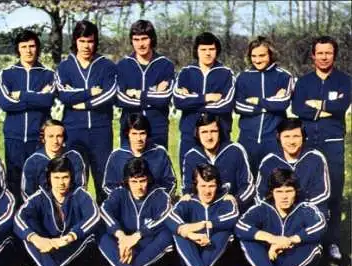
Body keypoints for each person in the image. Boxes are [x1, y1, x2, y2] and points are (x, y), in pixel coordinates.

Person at [292, 36, 350, 261]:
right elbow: (298, 108)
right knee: (305, 189)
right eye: (320, 53)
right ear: (313, 56)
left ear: (334, 55)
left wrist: (318, 104)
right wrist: (324, 110)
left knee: (334, 191)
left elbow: (341, 106)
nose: (324, 57)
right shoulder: (304, 82)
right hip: (308, 143)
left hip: (333, 142)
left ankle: (332, 241)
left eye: (328, 53)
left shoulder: (345, 80)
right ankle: (306, 238)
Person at [236, 168, 326, 266]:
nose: (284, 197)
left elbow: (320, 225)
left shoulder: (304, 208)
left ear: (296, 192)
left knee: (315, 247)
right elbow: (240, 226)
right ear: (272, 192)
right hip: (272, 258)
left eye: (289, 191)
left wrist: (289, 240)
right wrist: (274, 239)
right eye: (279, 191)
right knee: (248, 241)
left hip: (296, 258)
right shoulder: (263, 208)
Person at [14, 157, 101, 266]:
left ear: (71, 177)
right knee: (28, 234)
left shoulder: (80, 194)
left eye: (65, 177)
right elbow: (19, 218)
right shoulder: (40, 197)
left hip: (72, 245)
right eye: (56, 178)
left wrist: (69, 237)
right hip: (48, 245)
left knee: (91, 237)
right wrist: (37, 239)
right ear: (49, 178)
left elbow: (94, 216)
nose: (61, 183)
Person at [56, 20, 117, 205]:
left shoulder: (106, 65)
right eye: (82, 41)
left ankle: (106, 226)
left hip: (101, 130)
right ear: (75, 41)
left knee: (104, 181)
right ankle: (77, 227)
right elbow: (64, 96)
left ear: (95, 41)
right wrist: (90, 92)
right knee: (75, 179)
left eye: (90, 41)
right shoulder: (65, 66)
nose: (86, 46)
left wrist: (84, 105)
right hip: (74, 130)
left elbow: (110, 94)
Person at [97, 157, 173, 266]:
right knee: (100, 232)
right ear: (127, 181)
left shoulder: (159, 195)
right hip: (123, 245)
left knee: (167, 235)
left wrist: (137, 236)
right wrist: (121, 237)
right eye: (134, 181)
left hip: (148, 247)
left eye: (142, 181)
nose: (139, 186)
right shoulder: (120, 193)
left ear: (148, 179)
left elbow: (165, 216)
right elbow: (104, 210)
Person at [0, 30, 56, 203]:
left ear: (37, 48)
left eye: (32, 46)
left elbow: (47, 101)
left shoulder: (48, 73)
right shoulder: (7, 74)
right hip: (14, 137)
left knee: (40, 179)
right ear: (18, 49)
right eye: (24, 47)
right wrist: (36, 96)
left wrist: (21, 95)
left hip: (38, 137)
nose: (28, 50)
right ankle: (17, 223)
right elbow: (6, 103)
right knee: (14, 181)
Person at [166, 164, 239, 266]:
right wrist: (191, 234)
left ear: (217, 186)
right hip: (191, 253)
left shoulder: (226, 200)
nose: (207, 191)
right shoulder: (189, 201)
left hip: (217, 257)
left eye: (211, 186)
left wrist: (205, 224)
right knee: (180, 232)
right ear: (195, 185)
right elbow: (170, 217)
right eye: (203, 186)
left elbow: (233, 217)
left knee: (224, 232)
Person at [173, 32, 235, 174]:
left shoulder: (226, 73)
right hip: (190, 134)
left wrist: (192, 99)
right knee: (189, 176)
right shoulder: (186, 72)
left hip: (219, 135)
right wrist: (207, 97)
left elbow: (226, 105)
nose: (207, 53)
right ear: (196, 51)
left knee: (219, 177)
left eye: (211, 49)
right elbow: (178, 101)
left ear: (217, 51)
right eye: (203, 49)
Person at [234, 36, 293, 173]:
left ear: (271, 55)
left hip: (273, 139)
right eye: (253, 56)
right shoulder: (243, 77)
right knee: (247, 177)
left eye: (262, 55)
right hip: (247, 138)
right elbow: (238, 106)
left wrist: (257, 101)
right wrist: (270, 103)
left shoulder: (283, 76)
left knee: (274, 179)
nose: (258, 60)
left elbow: (283, 103)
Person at [116, 19, 174, 149]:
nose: (140, 44)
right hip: (130, 128)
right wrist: (153, 96)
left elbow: (164, 99)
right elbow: (119, 98)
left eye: (144, 39)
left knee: (157, 167)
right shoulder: (123, 65)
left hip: (157, 127)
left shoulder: (165, 65)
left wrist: (137, 94)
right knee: (130, 167)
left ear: (151, 39)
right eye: (136, 39)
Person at [256, 119, 330, 218]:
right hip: (277, 214)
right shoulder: (269, 161)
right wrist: (277, 212)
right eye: (286, 136)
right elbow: (260, 194)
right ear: (279, 137)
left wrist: (297, 212)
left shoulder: (315, 158)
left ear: (303, 138)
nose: (291, 142)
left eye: (296, 136)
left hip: (308, 212)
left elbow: (323, 192)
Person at [182, 114, 254, 213]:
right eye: (204, 132)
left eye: (213, 131)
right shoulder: (191, 156)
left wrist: (236, 201)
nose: (209, 137)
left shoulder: (235, 151)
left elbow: (248, 186)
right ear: (197, 134)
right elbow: (188, 190)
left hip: (234, 210)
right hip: (204, 213)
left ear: (220, 132)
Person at [103, 113, 176, 196]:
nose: (139, 139)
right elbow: (108, 185)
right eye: (134, 134)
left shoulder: (160, 153)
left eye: (142, 133)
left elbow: (170, 182)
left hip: (155, 204)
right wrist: (123, 200)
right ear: (128, 134)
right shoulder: (117, 156)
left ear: (147, 134)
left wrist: (158, 199)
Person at [21, 119, 86, 201]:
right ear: (43, 138)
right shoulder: (33, 161)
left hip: (70, 206)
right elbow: (27, 192)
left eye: (59, 136)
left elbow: (80, 188)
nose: (55, 141)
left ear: (64, 138)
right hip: (42, 209)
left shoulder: (74, 157)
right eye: (50, 136)